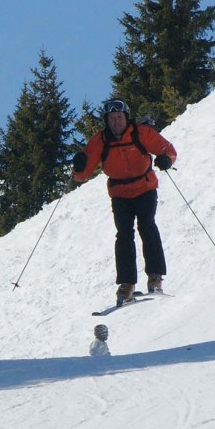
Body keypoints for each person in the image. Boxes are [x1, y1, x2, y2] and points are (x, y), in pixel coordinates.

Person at [72, 98, 177, 306]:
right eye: (112, 118)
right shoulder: (100, 141)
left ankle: (155, 277)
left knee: (147, 226)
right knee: (124, 235)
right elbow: (81, 175)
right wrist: (78, 166)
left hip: (145, 188)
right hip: (120, 194)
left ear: (126, 118)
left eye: (119, 117)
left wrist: (166, 160)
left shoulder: (140, 133)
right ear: (107, 120)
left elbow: (168, 150)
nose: (116, 122)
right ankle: (127, 284)